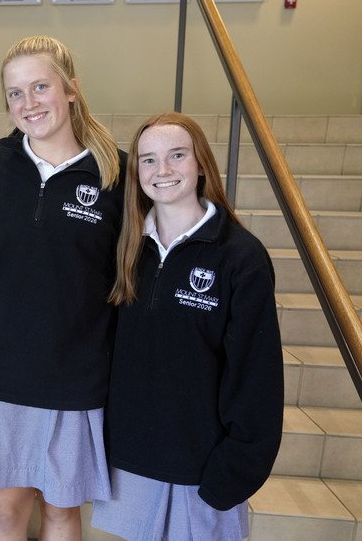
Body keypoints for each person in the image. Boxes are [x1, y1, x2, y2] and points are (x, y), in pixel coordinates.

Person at [0, 35, 125, 540]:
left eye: (40, 87)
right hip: (0, 369)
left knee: (61, 512)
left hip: (76, 371)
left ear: (71, 90)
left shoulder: (117, 172)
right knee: (6, 512)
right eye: (14, 93)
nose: (28, 104)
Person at [91, 112, 283, 540]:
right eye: (147, 159)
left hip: (204, 472)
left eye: (177, 155)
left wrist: (232, 473)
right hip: (131, 464)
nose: (162, 171)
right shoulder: (126, 249)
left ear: (200, 164)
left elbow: (258, 379)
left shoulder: (240, 258)